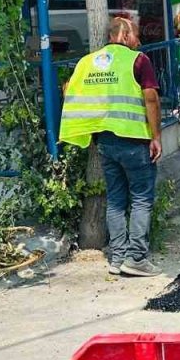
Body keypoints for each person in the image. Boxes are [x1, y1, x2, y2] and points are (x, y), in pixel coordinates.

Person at [58, 18, 163, 277]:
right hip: (135, 140)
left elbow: (68, 90)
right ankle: (136, 258)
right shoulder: (138, 60)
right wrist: (156, 136)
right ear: (125, 36)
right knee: (141, 199)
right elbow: (150, 97)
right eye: (136, 37)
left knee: (115, 200)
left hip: (105, 142)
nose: (138, 42)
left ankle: (117, 258)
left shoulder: (87, 62)